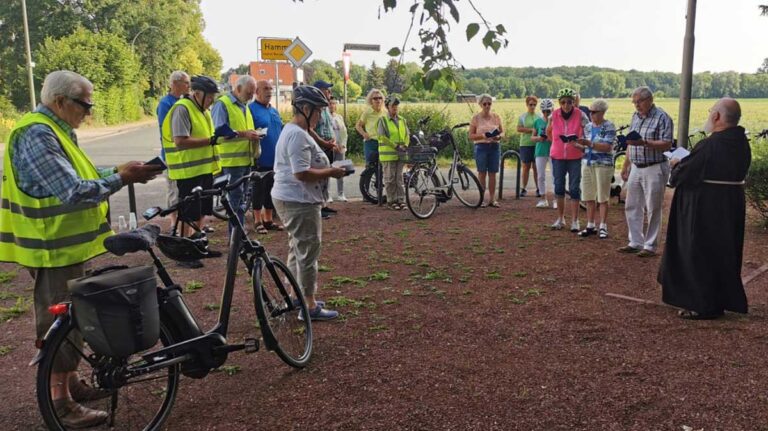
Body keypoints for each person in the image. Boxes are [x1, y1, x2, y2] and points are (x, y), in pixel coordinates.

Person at [0, 70, 162, 428]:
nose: (89, 112)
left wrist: (117, 170)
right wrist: (123, 178)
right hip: (51, 247)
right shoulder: (37, 134)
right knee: (60, 324)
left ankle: (70, 385)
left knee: (73, 320)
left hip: (62, 245)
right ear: (60, 102)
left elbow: (80, 175)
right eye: (84, 104)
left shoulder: (55, 129)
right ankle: (60, 404)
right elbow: (72, 191)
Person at [659, 98, 751, 320]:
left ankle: (701, 303)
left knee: (699, 251)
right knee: (723, 252)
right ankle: (719, 299)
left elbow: (685, 173)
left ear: (717, 117)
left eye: (711, 111)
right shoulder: (741, 142)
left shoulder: (710, 144)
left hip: (705, 208)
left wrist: (676, 165)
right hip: (730, 205)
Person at [271, 85, 345, 320]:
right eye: (318, 111)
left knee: (298, 248)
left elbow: (309, 138)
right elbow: (301, 173)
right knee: (307, 251)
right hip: (298, 201)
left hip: (294, 199)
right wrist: (331, 172)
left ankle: (296, 295)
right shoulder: (295, 135)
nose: (321, 115)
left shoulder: (296, 130)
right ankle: (309, 305)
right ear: (304, 109)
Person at [161, 75, 223, 268]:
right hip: (187, 171)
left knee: (202, 211)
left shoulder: (203, 110)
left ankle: (198, 246)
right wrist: (211, 141)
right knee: (188, 214)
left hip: (203, 170)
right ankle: (184, 253)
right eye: (210, 96)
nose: (212, 100)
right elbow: (180, 141)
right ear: (197, 93)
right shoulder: (182, 109)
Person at [618, 87, 673, 257]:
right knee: (632, 204)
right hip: (636, 165)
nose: (636, 105)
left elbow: (667, 143)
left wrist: (645, 143)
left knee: (653, 207)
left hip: (654, 166)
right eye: (634, 102)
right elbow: (630, 143)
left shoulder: (662, 117)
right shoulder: (635, 117)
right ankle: (635, 241)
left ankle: (650, 245)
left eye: (639, 101)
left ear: (649, 99)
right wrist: (625, 165)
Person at [211, 75, 261, 234]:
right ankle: (235, 237)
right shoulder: (223, 104)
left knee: (242, 200)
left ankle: (239, 234)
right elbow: (218, 133)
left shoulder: (244, 106)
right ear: (238, 89)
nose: (251, 96)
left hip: (245, 160)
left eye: (253, 93)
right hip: (231, 162)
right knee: (235, 201)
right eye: (249, 92)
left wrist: (255, 135)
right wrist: (244, 134)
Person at [547, 88, 589, 231]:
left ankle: (575, 220)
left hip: (575, 156)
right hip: (558, 156)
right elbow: (548, 131)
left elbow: (588, 131)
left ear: (574, 102)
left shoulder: (581, 115)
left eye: (569, 102)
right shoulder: (554, 115)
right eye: (563, 102)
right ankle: (560, 218)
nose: (566, 105)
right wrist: (555, 143)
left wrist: (581, 143)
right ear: (559, 103)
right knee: (558, 187)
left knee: (574, 188)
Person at [249, 79, 285, 234]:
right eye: (265, 88)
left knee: (272, 188)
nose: (269, 91)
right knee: (259, 189)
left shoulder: (274, 110)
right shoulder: (250, 109)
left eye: (271, 88)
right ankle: (257, 221)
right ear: (257, 91)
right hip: (260, 158)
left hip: (275, 159)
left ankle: (268, 219)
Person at [578, 99, 616, 239]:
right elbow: (587, 146)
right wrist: (577, 145)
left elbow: (607, 147)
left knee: (602, 197)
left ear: (602, 112)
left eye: (594, 112)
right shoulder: (588, 126)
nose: (591, 114)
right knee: (588, 196)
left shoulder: (609, 126)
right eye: (590, 112)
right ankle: (590, 225)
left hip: (603, 164)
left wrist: (589, 144)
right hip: (587, 163)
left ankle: (603, 226)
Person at [157, 71, 190, 230]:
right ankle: (174, 224)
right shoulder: (166, 103)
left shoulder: (185, 101)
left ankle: (186, 224)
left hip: (184, 156)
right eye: (186, 82)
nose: (188, 86)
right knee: (174, 191)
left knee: (184, 191)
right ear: (175, 84)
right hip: (171, 156)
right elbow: (167, 129)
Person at [309, 80, 339, 217]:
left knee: (326, 177)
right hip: (319, 146)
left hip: (328, 146)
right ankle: (318, 207)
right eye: (327, 89)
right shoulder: (314, 108)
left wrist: (332, 139)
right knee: (319, 177)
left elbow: (328, 126)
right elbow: (310, 129)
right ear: (319, 90)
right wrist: (322, 142)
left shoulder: (326, 107)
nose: (329, 92)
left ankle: (324, 204)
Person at [468, 93, 503, 207]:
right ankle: (482, 198)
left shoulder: (496, 116)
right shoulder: (476, 118)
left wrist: (499, 136)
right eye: (485, 104)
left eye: (489, 103)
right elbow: (471, 135)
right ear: (480, 105)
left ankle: (492, 199)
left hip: (494, 146)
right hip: (481, 147)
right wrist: (483, 136)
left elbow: (502, 131)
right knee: (482, 173)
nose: (487, 106)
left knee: (493, 173)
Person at [377, 95, 409, 210]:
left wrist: (405, 144)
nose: (395, 108)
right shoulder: (383, 120)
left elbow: (407, 134)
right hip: (389, 154)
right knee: (390, 179)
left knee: (399, 178)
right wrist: (395, 146)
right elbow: (381, 136)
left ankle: (401, 200)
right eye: (392, 106)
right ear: (387, 107)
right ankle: (391, 201)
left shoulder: (402, 120)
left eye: (396, 106)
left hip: (401, 154)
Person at [531, 98, 554, 208]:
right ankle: (543, 198)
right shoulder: (537, 121)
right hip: (540, 151)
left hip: (553, 150)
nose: (546, 113)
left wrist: (550, 138)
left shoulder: (556, 121)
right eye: (544, 111)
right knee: (540, 176)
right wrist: (539, 138)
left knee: (555, 176)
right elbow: (532, 137)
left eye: (548, 111)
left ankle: (556, 199)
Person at [516, 96, 541, 197]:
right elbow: (518, 128)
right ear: (527, 105)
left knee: (536, 167)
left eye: (534, 105)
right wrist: (531, 130)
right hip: (525, 144)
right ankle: (524, 188)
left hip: (537, 144)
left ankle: (538, 188)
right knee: (526, 167)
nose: (533, 106)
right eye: (531, 104)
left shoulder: (539, 116)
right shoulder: (522, 116)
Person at [355, 88, 386, 165]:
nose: (378, 100)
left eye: (380, 98)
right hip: (371, 142)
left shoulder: (385, 112)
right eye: (375, 98)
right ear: (371, 100)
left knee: (382, 168)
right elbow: (358, 125)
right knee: (370, 167)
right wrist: (364, 134)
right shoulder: (368, 112)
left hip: (383, 143)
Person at [329, 97, 348, 202]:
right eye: (330, 103)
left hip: (340, 148)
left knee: (340, 171)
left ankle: (341, 194)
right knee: (328, 170)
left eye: (334, 103)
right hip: (330, 147)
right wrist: (332, 145)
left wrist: (343, 145)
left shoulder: (339, 117)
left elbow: (344, 133)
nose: (332, 106)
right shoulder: (324, 117)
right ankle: (327, 194)